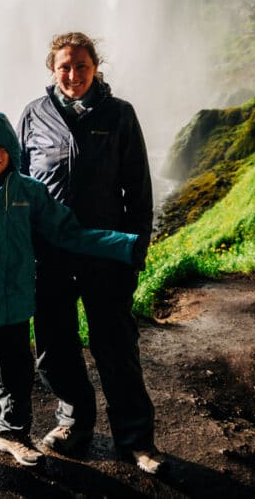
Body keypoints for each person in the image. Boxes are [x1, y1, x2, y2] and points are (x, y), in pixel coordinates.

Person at [0, 111, 139, 480]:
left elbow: (68, 233)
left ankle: (12, 434)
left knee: (16, 376)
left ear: (12, 149)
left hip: (16, 307)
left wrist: (123, 245)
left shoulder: (31, 193)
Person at [16, 32, 162, 475]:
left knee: (116, 347)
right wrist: (20, 253)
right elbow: (19, 190)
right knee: (54, 349)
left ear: (96, 67)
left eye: (82, 66)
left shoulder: (119, 115)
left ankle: (136, 441)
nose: (74, 75)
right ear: (52, 68)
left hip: (104, 253)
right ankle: (73, 421)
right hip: (50, 257)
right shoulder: (33, 116)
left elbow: (138, 191)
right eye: (65, 66)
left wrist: (134, 253)